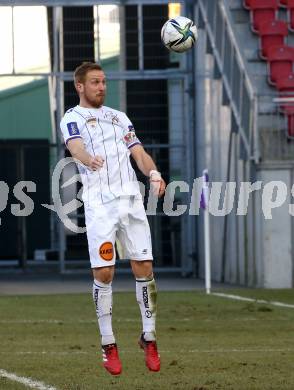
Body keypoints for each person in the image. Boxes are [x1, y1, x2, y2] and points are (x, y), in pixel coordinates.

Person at [60, 62, 166, 376]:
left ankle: (149, 337)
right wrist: (86, 158)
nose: (101, 87)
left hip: (131, 200)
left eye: (104, 81)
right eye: (95, 82)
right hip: (99, 205)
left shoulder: (119, 118)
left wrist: (154, 173)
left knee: (144, 267)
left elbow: (139, 153)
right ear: (80, 86)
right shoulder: (72, 117)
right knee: (105, 272)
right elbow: (74, 146)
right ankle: (108, 344)